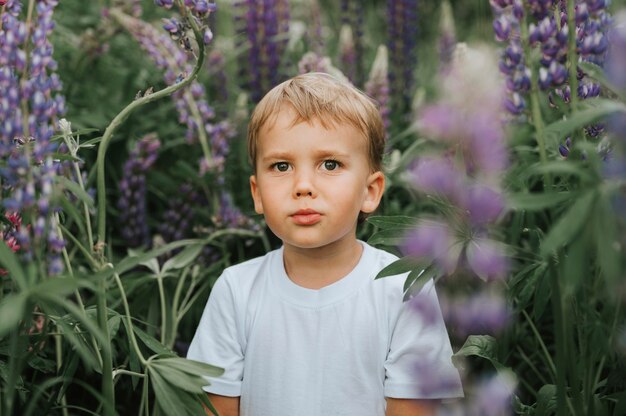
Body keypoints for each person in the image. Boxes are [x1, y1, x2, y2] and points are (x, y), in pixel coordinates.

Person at [187, 72, 463, 416]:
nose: (303, 185)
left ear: (370, 191)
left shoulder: (404, 287)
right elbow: (214, 408)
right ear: (257, 194)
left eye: (329, 164)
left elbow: (414, 408)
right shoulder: (236, 289)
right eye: (281, 165)